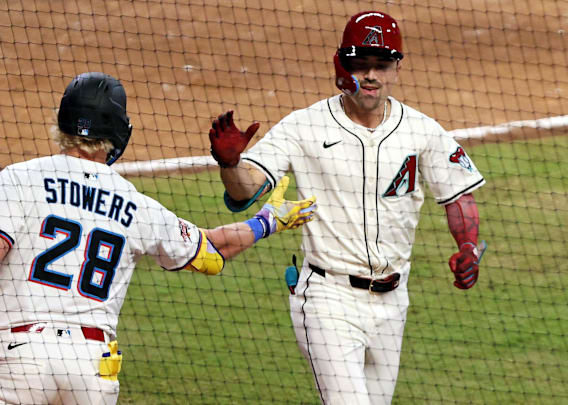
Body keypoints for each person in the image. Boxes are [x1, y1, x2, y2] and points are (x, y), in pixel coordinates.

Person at [0, 72, 316, 405]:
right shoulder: (135, 203)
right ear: (119, 132)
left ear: (62, 121)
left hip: (18, 360)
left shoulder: (19, 178)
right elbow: (212, 252)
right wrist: (269, 221)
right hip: (91, 368)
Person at [207, 11, 485, 405]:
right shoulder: (304, 126)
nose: (371, 75)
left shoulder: (422, 131)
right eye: (360, 64)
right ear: (341, 66)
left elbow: (459, 195)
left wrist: (468, 245)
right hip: (327, 297)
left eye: (381, 65)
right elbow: (246, 190)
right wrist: (231, 165)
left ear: (397, 68)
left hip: (394, 302)